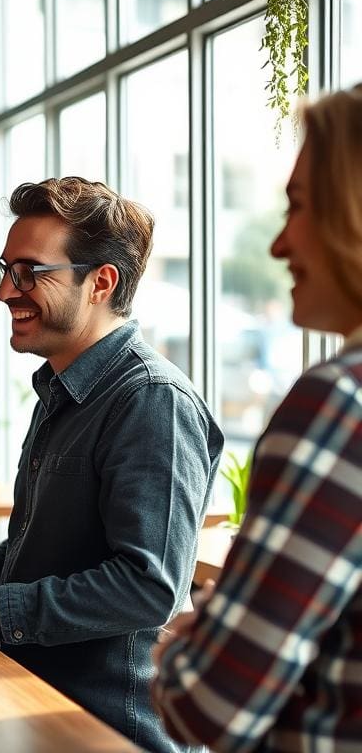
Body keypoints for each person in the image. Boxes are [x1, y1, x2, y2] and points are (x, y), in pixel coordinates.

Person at [0, 177, 224, 752]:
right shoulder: (63, 389)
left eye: (31, 272)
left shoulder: (151, 401)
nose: (7, 291)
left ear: (100, 284)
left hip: (108, 728)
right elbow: (39, 545)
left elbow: (147, 585)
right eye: (4, 270)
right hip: (33, 699)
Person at [152, 85, 362, 751]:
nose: (278, 245)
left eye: (299, 206)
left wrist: (187, 650)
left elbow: (210, 708)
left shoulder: (338, 406)